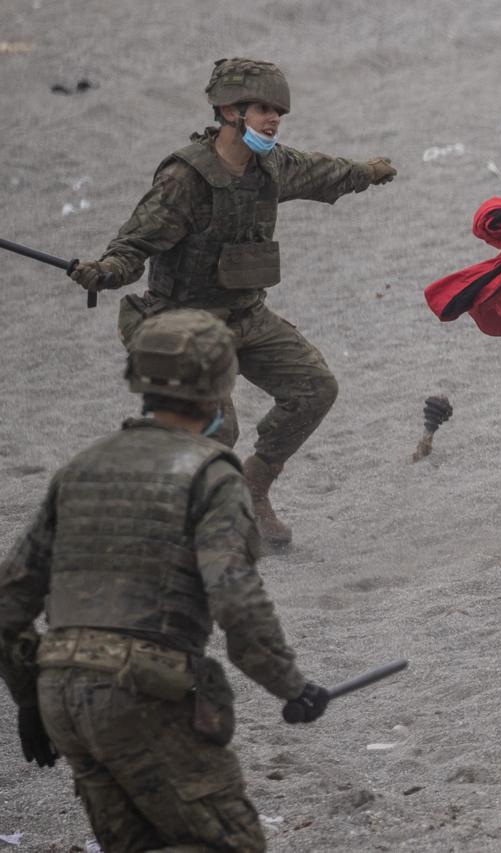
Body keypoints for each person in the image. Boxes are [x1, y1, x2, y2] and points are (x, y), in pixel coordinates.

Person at [0, 311, 328, 852]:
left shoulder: (83, 468)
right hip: (141, 691)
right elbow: (236, 599)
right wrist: (289, 685)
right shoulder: (211, 474)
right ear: (220, 385)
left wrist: (31, 698)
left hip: (62, 693)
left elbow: (9, 603)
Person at [67, 57, 397, 547]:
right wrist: (106, 271)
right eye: (262, 109)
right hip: (186, 325)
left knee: (314, 388)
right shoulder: (186, 179)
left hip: (246, 317)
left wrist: (367, 172)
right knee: (219, 428)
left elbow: (325, 172)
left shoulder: (271, 167)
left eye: (278, 111)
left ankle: (253, 487)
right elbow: (135, 245)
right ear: (228, 110)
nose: (273, 120)